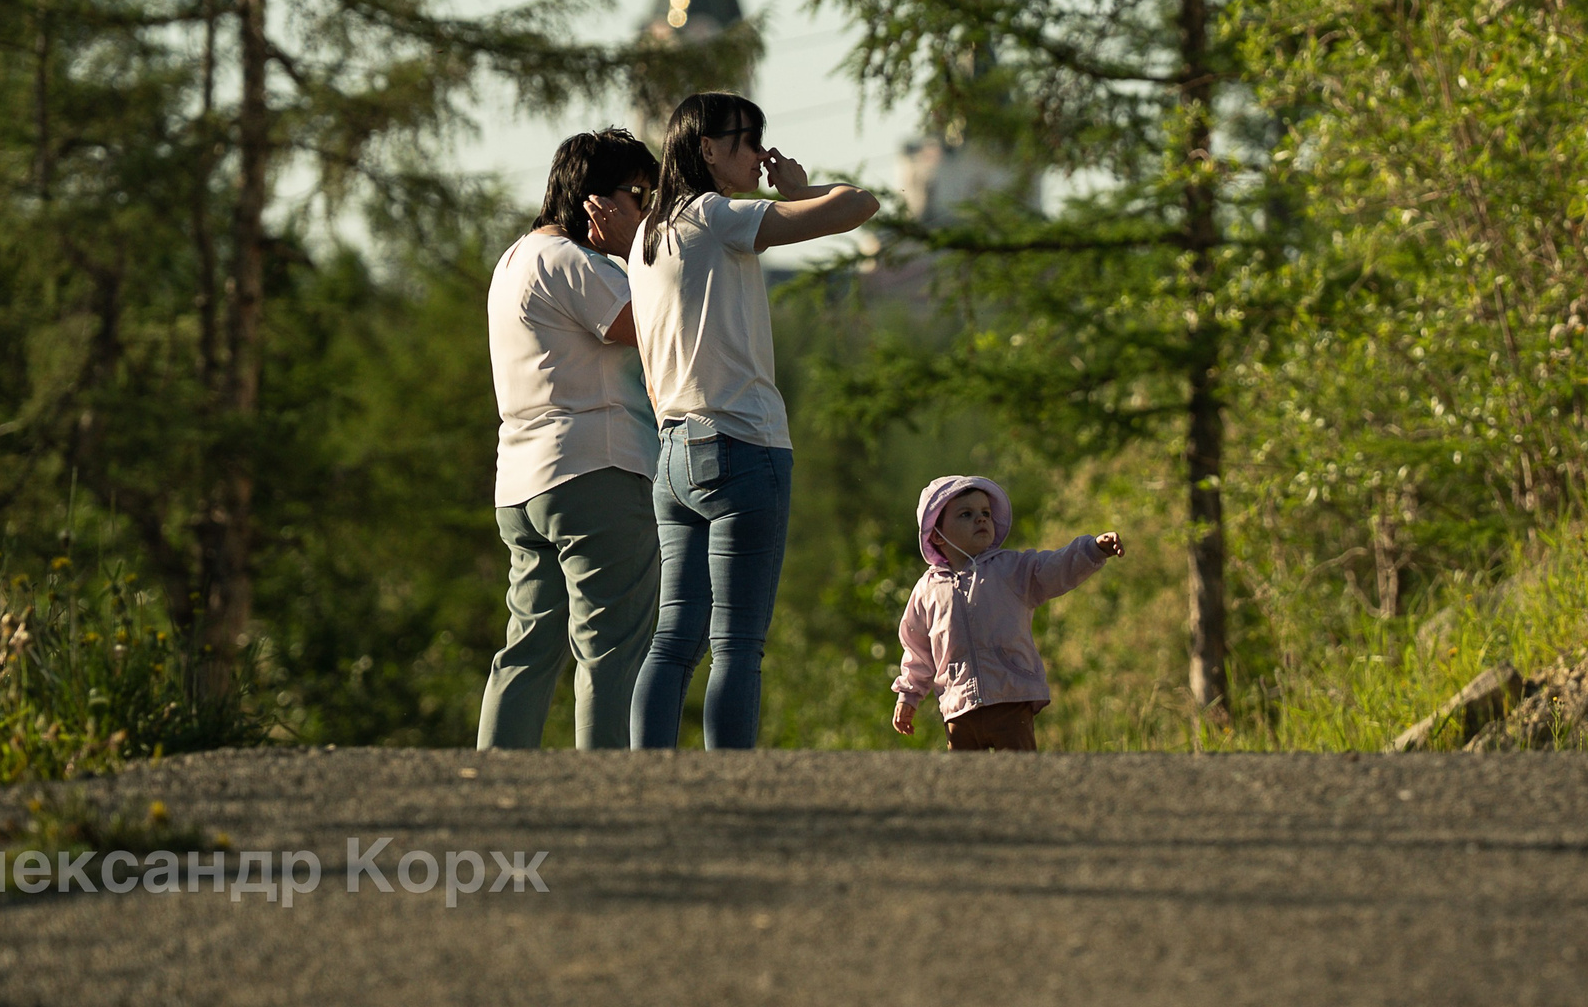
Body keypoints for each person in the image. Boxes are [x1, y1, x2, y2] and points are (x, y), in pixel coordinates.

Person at [627, 92, 880, 749]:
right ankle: (728, 785)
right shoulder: (715, 216)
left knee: (674, 640)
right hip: (741, 442)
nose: (758, 154)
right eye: (746, 140)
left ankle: (643, 776)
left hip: (674, 449)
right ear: (706, 149)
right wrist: (799, 188)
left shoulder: (648, 237)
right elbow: (858, 206)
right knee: (737, 644)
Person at [479, 128, 663, 749]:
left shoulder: (513, 260)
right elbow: (656, 328)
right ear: (599, 200)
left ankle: (493, 782)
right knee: (612, 648)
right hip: (596, 472)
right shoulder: (575, 261)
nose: (648, 214)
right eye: (642, 196)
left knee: (529, 647)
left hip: (522, 480)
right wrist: (633, 250)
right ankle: (609, 799)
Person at [890, 475, 1126, 752]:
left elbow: (1055, 567)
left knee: (1021, 776)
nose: (981, 520)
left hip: (1011, 698)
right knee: (967, 784)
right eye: (966, 514)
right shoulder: (927, 590)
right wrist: (908, 695)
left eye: (986, 513)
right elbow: (917, 651)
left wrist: (1092, 549)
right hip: (958, 708)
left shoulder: (1012, 569)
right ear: (936, 535)